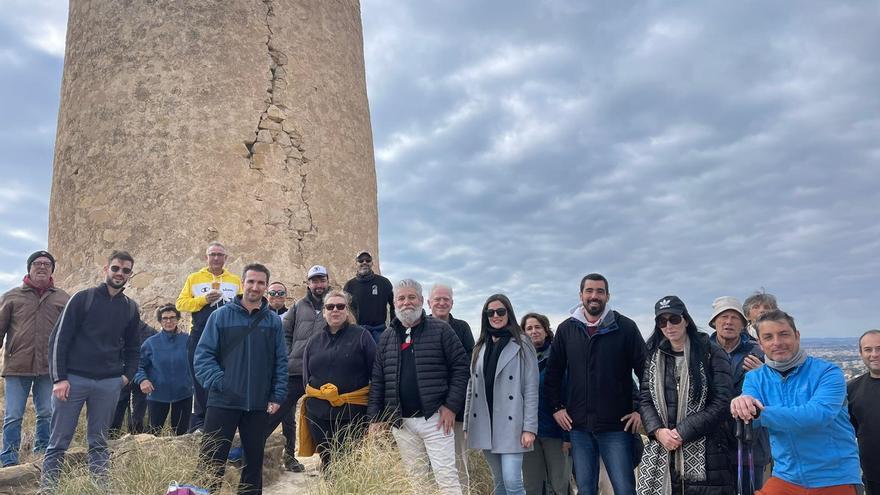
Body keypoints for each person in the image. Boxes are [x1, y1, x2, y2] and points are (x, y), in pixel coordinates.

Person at [731, 310, 861, 495]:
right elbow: (750, 410)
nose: (777, 342)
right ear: (760, 343)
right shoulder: (754, 378)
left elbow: (817, 415)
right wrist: (740, 404)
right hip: (786, 476)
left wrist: (760, 412)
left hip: (834, 477)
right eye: (768, 337)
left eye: (784, 334)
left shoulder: (828, 373)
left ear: (797, 336)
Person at [42, 250, 141, 489]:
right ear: (105, 269)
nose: (120, 274)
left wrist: (126, 376)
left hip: (108, 383)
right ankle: (48, 489)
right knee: (58, 441)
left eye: (126, 270)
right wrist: (59, 379)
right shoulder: (82, 298)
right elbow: (59, 340)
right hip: (73, 380)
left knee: (98, 442)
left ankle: (99, 488)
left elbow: (133, 347)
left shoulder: (130, 308)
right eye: (116, 268)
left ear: (130, 275)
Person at [544, 273, 647, 495]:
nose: (594, 296)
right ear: (580, 295)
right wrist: (556, 408)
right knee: (586, 489)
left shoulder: (625, 327)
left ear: (607, 296)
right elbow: (553, 374)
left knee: (624, 489)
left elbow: (646, 373)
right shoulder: (566, 330)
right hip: (579, 427)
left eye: (600, 291)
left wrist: (639, 410)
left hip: (617, 426)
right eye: (589, 291)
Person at [367, 278, 469, 495]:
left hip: (435, 419)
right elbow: (378, 380)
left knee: (447, 479)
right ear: (394, 303)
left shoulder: (441, 330)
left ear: (422, 300)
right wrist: (375, 418)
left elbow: (461, 368)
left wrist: (451, 406)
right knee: (417, 481)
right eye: (401, 298)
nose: (406, 303)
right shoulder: (387, 337)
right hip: (402, 422)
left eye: (411, 297)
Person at [194, 263, 287, 495]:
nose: (255, 287)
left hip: (257, 403)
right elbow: (203, 356)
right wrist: (221, 383)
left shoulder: (273, 322)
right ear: (242, 283)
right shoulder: (220, 316)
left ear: (266, 286)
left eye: (260, 283)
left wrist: (277, 395)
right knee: (211, 460)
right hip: (222, 400)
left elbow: (281, 362)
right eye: (251, 281)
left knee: (253, 464)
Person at [637, 295, 733, 495]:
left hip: (708, 453)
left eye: (674, 319)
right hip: (663, 450)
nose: (668, 325)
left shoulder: (711, 353)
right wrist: (658, 431)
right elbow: (645, 399)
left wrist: (682, 432)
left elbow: (722, 403)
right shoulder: (653, 356)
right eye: (662, 321)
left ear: (686, 320)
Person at [0, 250, 70, 467]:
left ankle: (41, 454)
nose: (42, 267)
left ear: (52, 270)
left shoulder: (62, 298)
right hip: (17, 365)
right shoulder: (12, 296)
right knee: (13, 415)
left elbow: (69, 333)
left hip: (49, 367)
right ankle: (9, 459)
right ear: (29, 268)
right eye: (37, 263)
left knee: (46, 413)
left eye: (47, 264)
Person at [464, 295, 538, 495]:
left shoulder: (522, 343)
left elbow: (531, 388)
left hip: (512, 424)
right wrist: (467, 424)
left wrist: (529, 428)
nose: (495, 316)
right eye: (490, 312)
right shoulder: (480, 346)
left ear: (509, 313)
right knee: (499, 482)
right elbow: (472, 387)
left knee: (513, 482)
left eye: (500, 311)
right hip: (485, 423)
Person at [299, 289, 376, 468]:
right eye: (330, 306)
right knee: (327, 461)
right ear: (324, 312)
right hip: (318, 414)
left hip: (353, 413)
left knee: (347, 462)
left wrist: (373, 413)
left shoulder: (362, 336)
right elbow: (306, 378)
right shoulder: (313, 341)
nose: (335, 310)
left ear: (347, 311)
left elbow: (376, 374)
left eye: (340, 306)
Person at [176, 241, 242, 432]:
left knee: (227, 377)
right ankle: (200, 423)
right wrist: (203, 300)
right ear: (206, 257)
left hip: (228, 337)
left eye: (219, 255)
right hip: (199, 334)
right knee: (199, 378)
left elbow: (243, 304)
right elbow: (181, 304)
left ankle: (224, 420)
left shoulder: (235, 280)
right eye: (212, 254)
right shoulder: (194, 278)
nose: (216, 258)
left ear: (225, 258)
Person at [708, 296, 770, 489]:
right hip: (712, 443)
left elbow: (781, 389)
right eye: (723, 316)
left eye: (734, 317)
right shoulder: (701, 351)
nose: (728, 322)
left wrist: (764, 373)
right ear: (714, 322)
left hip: (750, 441)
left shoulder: (761, 351)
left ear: (743, 324)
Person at [274, 264, 330, 473]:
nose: (318, 284)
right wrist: (289, 354)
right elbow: (284, 333)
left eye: (321, 280)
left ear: (327, 281)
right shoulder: (298, 306)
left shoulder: (333, 305)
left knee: (321, 420)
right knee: (276, 412)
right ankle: (255, 454)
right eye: (314, 280)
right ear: (308, 283)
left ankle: (328, 464)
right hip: (295, 370)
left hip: (321, 373)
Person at [427, 282, 475, 491]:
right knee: (429, 464)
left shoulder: (462, 328)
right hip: (428, 408)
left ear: (452, 303)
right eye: (437, 299)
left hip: (455, 406)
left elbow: (467, 363)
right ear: (429, 303)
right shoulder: (420, 327)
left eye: (446, 299)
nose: (441, 302)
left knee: (457, 460)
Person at [520, 313, 572, 495]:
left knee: (559, 484)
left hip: (556, 432)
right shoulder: (520, 361)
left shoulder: (560, 357)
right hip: (528, 433)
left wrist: (568, 436)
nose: (534, 331)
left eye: (537, 327)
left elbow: (568, 396)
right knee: (533, 485)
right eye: (529, 328)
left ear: (546, 330)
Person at [135, 304, 193, 436]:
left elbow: (198, 362)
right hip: (157, 395)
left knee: (182, 434)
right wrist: (142, 380)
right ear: (160, 321)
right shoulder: (150, 343)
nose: (168, 321)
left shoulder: (188, 341)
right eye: (165, 318)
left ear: (178, 319)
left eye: (172, 317)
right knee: (153, 433)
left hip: (183, 394)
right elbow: (138, 365)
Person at [109, 318, 157, 437]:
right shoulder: (116, 330)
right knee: (115, 413)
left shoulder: (151, 333)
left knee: (137, 415)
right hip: (120, 377)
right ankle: (111, 441)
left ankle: (135, 443)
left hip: (141, 379)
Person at [848, 329, 880, 495]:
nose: (874, 354)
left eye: (879, 348)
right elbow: (847, 430)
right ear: (861, 353)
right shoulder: (852, 389)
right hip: (872, 475)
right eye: (868, 349)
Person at [343, 250, 394, 342]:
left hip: (380, 332)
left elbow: (394, 305)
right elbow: (345, 309)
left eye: (368, 260)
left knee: (380, 356)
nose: (364, 262)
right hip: (358, 332)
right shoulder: (349, 285)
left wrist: (393, 327)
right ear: (356, 263)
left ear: (372, 263)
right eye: (361, 260)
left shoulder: (384, 283)